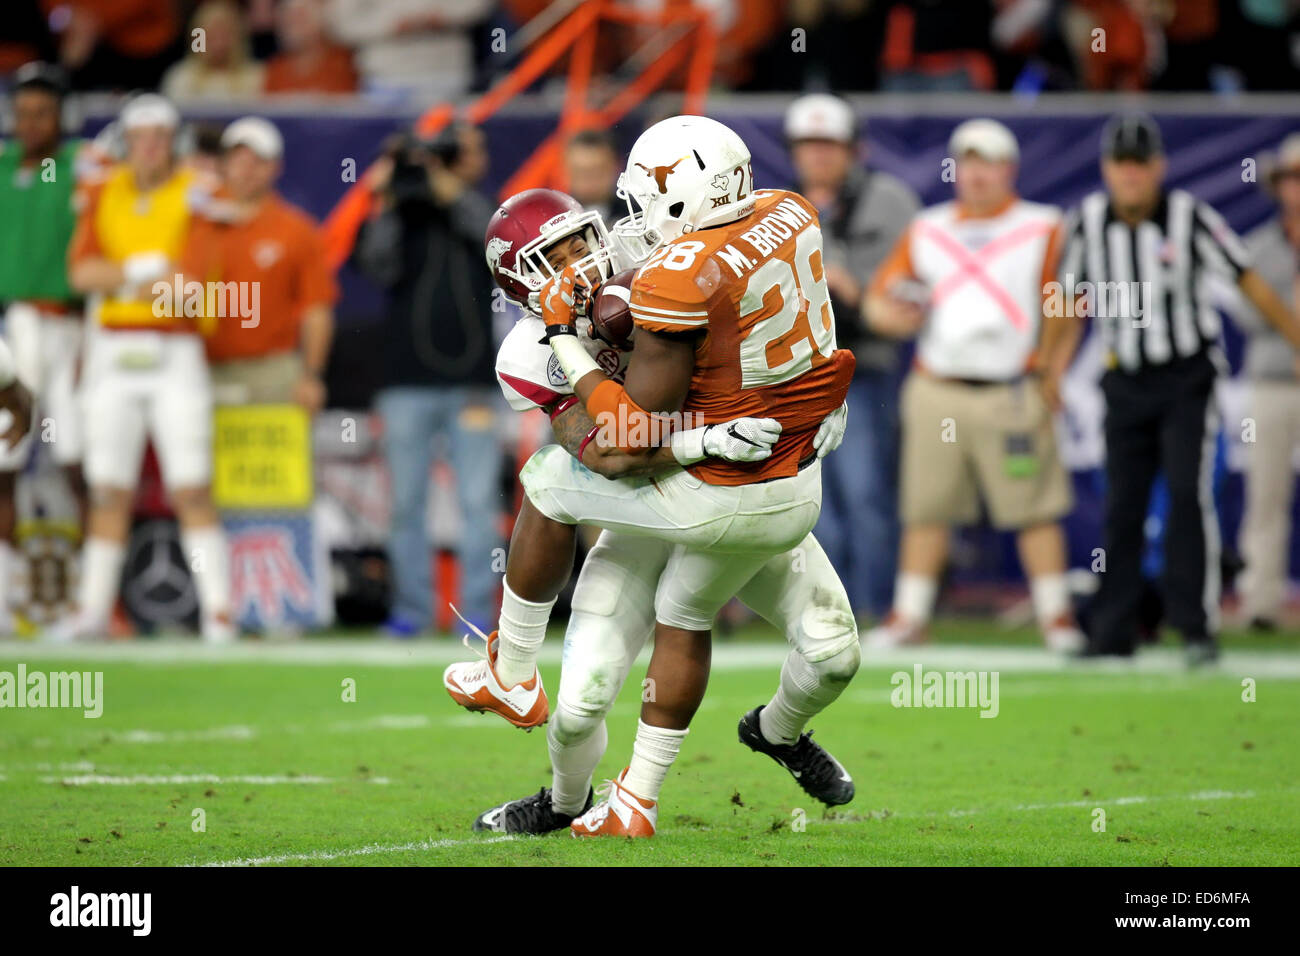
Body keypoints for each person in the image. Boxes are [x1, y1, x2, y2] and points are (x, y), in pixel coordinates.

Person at [446, 115, 858, 837]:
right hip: (651, 502)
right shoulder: (527, 354)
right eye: (557, 255)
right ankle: (563, 801)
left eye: (582, 239)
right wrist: (701, 441)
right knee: (577, 709)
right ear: (522, 282)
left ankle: (778, 731)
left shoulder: (665, 259)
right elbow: (609, 453)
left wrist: (812, 408)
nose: (582, 259)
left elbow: (769, 335)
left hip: (730, 490)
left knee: (833, 655)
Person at [1045, 116, 1300, 662]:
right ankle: (1113, 631)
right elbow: (1067, 301)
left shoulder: (1190, 218)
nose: (1131, 174)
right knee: (1122, 506)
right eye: (1122, 163)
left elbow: (1246, 277)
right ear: (1108, 168)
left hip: (1185, 377)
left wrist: (1296, 338)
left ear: (1158, 167)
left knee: (1187, 495)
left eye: (1141, 163)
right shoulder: (1086, 223)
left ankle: (1195, 626)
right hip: (1124, 379)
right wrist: (1051, 368)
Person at [864, 119, 1082, 652]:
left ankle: (1056, 617)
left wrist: (1052, 369)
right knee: (926, 507)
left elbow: (1068, 303)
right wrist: (894, 318)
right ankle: (910, 617)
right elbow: (878, 301)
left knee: (1034, 507)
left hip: (1013, 386)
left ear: (1009, 169)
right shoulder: (929, 227)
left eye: (988, 163)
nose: (977, 174)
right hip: (939, 385)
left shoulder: (1044, 225)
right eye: (968, 162)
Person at [59, 93, 232, 643]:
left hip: (174, 354)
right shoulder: (102, 191)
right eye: (142, 136)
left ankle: (218, 613)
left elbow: (193, 291)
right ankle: (91, 612)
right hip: (112, 351)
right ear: (127, 141)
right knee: (108, 489)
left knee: (191, 489)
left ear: (174, 140)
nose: (152, 146)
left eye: (161, 135)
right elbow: (80, 276)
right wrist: (144, 270)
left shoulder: (197, 193)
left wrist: (127, 281)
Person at [353, 123, 501, 636]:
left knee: (479, 502)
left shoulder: (485, 205)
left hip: (472, 380)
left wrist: (451, 192)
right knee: (405, 503)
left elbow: (497, 244)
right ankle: (412, 612)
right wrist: (388, 197)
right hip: (405, 381)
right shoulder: (399, 208)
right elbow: (375, 264)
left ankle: (477, 613)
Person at [784, 92, 919, 618]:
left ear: (853, 148)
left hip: (862, 368)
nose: (819, 155)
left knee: (865, 494)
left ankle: (872, 608)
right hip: (795, 374)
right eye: (808, 144)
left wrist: (851, 290)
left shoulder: (888, 200)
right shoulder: (778, 206)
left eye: (830, 144)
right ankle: (821, 613)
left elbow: (905, 301)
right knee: (810, 502)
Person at [0, 63, 88, 632]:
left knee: (82, 455)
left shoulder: (82, 165)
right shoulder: (3, 167)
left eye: (44, 112)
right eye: (24, 111)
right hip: (16, 329)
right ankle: (5, 595)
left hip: (74, 326)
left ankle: (91, 591)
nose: (32, 123)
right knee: (4, 454)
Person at [181, 117, 336, 409]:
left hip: (272, 371)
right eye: (238, 161)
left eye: (258, 162)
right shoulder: (193, 219)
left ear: (276, 167)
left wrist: (312, 375)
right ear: (223, 165)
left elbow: (317, 309)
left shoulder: (296, 230)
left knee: (274, 455)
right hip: (196, 365)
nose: (246, 171)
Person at [1234, 134, 1300, 630]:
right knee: (1266, 496)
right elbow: (1247, 314)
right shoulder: (1258, 246)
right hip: (1276, 381)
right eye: (1291, 178)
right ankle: (1260, 604)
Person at [160, 1, 264, 100]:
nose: (218, 43)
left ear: (238, 37)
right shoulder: (180, 78)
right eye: (211, 36)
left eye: (224, 35)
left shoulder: (257, 78)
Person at [263, 0, 359, 95]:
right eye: (289, 18)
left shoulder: (344, 64)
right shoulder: (276, 69)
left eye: (300, 18)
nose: (293, 25)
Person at [561, 128, 623, 226]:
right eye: (580, 172)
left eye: (597, 172)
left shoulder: (640, 216)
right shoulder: (552, 220)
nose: (588, 181)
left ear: (616, 168)